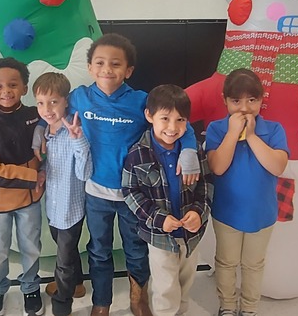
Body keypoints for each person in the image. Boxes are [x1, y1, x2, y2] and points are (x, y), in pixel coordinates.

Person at [68, 33, 201, 316]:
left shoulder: (141, 101)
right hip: (96, 192)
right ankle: (101, 302)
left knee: (136, 249)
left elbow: (179, 123)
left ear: (128, 70)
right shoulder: (79, 97)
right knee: (99, 249)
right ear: (90, 66)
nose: (107, 69)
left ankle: (138, 298)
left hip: (135, 194)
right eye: (100, 63)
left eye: (115, 64)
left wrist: (189, 151)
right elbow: (54, 111)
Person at [205, 69, 289, 316]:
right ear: (225, 100)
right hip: (226, 212)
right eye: (236, 101)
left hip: (261, 213)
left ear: (262, 99)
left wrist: (251, 136)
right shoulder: (216, 129)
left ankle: (250, 307)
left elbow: (277, 166)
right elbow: (217, 167)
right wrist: (233, 133)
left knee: (253, 264)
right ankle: (228, 305)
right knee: (226, 262)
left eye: (252, 100)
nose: (244, 107)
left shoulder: (273, 130)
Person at [122, 85, 211, 316]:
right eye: (165, 118)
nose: (172, 127)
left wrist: (199, 213)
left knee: (185, 283)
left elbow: (206, 185)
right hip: (159, 237)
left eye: (180, 120)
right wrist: (158, 219)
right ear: (149, 116)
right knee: (165, 288)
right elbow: (130, 192)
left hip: (191, 235)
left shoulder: (194, 152)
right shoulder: (138, 153)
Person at [0, 57, 45, 316]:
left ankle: (30, 287)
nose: (6, 91)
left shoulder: (35, 116)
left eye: (13, 85)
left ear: (25, 88)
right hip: (0, 203)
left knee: (30, 246)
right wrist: (30, 176)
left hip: (31, 200)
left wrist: (44, 170)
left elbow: (46, 148)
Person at [31, 72, 93, 316]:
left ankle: (62, 305)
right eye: (41, 103)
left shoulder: (74, 131)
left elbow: (85, 172)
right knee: (65, 250)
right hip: (53, 207)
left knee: (63, 261)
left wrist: (78, 140)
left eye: (53, 102)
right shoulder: (46, 131)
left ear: (66, 101)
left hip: (71, 209)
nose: (47, 109)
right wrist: (43, 172)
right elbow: (49, 163)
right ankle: (77, 283)